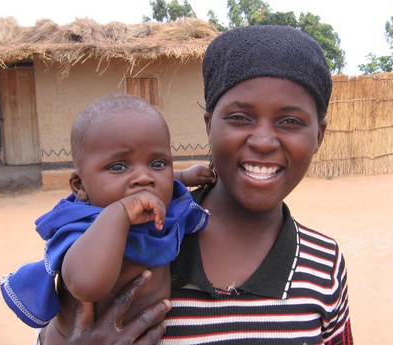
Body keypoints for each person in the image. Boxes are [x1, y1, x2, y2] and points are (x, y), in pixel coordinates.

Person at [46, 25, 354, 345]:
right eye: (240, 117)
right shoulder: (128, 240)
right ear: (209, 126)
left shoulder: (324, 264)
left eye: (290, 121)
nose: (263, 141)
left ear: (318, 135)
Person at [0, 93, 215, 343]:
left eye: (158, 163)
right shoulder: (83, 230)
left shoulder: (154, 199)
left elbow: (153, 176)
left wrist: (183, 176)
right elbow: (86, 286)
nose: (144, 178)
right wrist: (119, 213)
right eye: (118, 167)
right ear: (80, 186)